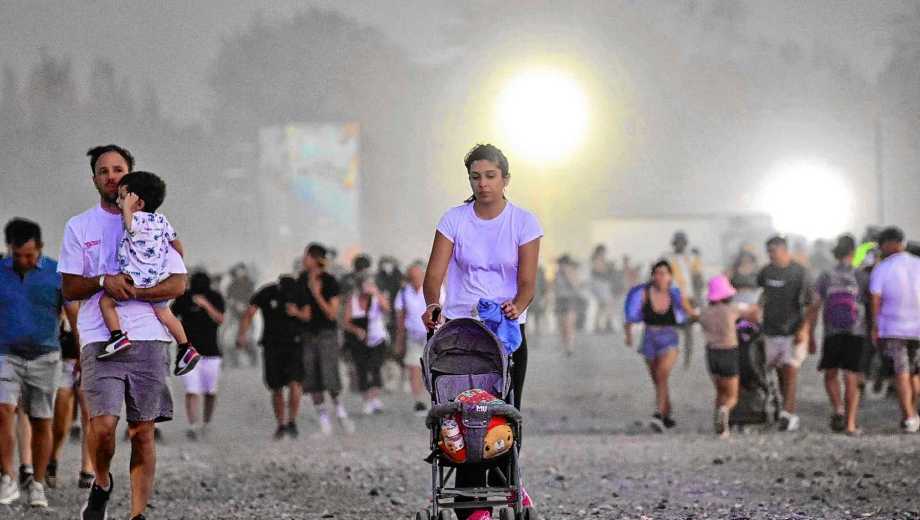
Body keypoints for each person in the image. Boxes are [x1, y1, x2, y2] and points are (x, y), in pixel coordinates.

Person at [60, 144, 188, 520]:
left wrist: (138, 292)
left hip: (148, 336)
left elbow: (178, 282)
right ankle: (101, 482)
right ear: (95, 180)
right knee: (102, 426)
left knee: (143, 431)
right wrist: (104, 281)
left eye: (118, 170)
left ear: (129, 175)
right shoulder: (80, 227)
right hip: (101, 337)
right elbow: (69, 286)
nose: (111, 176)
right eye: (103, 171)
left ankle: (137, 514)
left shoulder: (153, 222)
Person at [422, 143, 542, 520]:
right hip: (461, 335)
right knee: (461, 417)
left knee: (504, 413)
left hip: (506, 335)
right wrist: (432, 304)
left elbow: (527, 282)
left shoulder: (524, 222)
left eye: (491, 176)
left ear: (505, 179)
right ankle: (473, 504)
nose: (483, 184)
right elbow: (434, 275)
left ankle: (507, 482)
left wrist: (517, 306)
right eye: (476, 177)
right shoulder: (454, 219)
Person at [96, 171, 201, 376]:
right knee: (165, 313)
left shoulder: (137, 219)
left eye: (122, 197)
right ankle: (185, 346)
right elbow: (177, 244)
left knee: (106, 302)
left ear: (139, 203)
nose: (118, 202)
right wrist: (175, 258)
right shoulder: (161, 220)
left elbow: (130, 226)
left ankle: (117, 336)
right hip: (156, 277)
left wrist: (127, 209)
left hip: (135, 279)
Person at [0, 218, 71, 507]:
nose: (23, 261)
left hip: (45, 355)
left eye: (29, 255)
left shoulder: (56, 273)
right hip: (5, 354)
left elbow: (72, 311)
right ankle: (7, 477)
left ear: (40, 247)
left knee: (42, 420)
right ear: (9, 249)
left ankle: (38, 484)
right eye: (17, 255)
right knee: (4, 410)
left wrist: (82, 348)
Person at [624, 260, 694, 432]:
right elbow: (630, 317)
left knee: (662, 374)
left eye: (664, 273)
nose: (661, 277)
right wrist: (628, 336)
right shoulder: (644, 293)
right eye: (657, 273)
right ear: (652, 275)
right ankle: (667, 412)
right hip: (649, 339)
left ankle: (659, 415)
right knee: (657, 378)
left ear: (670, 277)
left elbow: (690, 314)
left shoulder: (675, 294)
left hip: (669, 338)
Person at [757, 235, 817, 433]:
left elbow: (812, 302)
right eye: (768, 252)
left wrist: (804, 328)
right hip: (770, 329)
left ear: (784, 250)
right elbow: (760, 295)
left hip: (792, 329)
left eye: (773, 251)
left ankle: (788, 413)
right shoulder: (766, 272)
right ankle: (784, 408)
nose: (771, 256)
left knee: (790, 369)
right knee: (778, 372)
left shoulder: (799, 272)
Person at [811, 234, 870, 435]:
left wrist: (809, 333)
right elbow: (872, 303)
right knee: (851, 376)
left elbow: (815, 304)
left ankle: (838, 408)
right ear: (853, 252)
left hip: (832, 331)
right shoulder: (861, 276)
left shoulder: (826, 275)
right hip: (856, 330)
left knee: (830, 374)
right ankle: (851, 424)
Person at [237, 274, 308, 439]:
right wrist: (242, 334)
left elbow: (307, 314)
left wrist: (296, 312)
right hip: (273, 345)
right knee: (277, 386)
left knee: (293, 383)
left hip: (293, 344)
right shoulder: (268, 292)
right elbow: (250, 312)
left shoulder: (298, 292)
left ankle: (290, 422)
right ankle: (283, 423)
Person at [869, 226, 920, 433]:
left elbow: (875, 298)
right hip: (918, 328)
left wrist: (875, 326)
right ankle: (913, 412)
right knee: (915, 373)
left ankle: (908, 416)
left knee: (901, 372)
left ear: (890, 243)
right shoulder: (918, 264)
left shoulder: (882, 268)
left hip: (893, 327)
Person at [299, 244, 352, 435]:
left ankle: (340, 412)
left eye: (306, 256)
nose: (303, 259)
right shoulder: (301, 280)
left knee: (330, 376)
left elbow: (331, 314)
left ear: (314, 259)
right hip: (307, 335)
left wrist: (316, 294)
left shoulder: (330, 282)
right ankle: (324, 422)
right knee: (312, 379)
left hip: (326, 334)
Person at [699, 275, 759, 438]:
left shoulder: (705, 312)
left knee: (719, 392)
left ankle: (720, 427)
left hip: (711, 354)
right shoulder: (732, 309)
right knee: (732, 396)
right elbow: (753, 314)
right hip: (729, 353)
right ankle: (725, 412)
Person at [171, 271, 226, 440]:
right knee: (192, 389)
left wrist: (205, 305)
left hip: (211, 352)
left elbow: (220, 319)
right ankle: (193, 425)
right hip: (188, 352)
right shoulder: (183, 298)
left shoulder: (215, 297)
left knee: (210, 391)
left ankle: (207, 424)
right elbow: (171, 318)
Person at [48, 307, 96, 490]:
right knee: (61, 420)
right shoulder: (62, 291)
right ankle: (52, 457)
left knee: (88, 413)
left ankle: (87, 468)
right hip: (63, 360)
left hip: (88, 358)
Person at [343, 276, 390, 414]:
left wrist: (376, 294)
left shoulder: (377, 297)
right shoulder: (353, 300)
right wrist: (356, 330)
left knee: (375, 366)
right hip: (359, 339)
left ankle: (375, 398)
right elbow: (346, 322)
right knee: (361, 368)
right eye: (365, 284)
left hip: (377, 337)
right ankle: (366, 400)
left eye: (370, 284)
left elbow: (387, 309)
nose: (367, 287)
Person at [394, 261, 436, 414]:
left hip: (432, 335)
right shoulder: (403, 293)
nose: (415, 279)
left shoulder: (434, 289)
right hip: (413, 335)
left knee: (433, 369)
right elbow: (400, 317)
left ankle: (436, 398)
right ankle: (418, 401)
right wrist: (399, 340)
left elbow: (440, 308)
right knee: (413, 367)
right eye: (412, 277)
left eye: (417, 276)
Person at [667, 231, 703, 368]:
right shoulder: (667, 259)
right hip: (673, 298)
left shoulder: (692, 258)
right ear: (674, 243)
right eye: (678, 242)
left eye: (682, 242)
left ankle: (687, 359)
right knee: (672, 329)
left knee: (688, 330)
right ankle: (672, 358)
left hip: (689, 298)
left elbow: (698, 278)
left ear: (686, 243)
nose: (680, 245)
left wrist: (698, 297)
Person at [225, 263, 257, 368]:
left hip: (247, 317)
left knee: (248, 339)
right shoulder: (232, 285)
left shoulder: (250, 284)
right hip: (234, 317)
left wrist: (245, 306)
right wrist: (235, 304)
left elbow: (253, 301)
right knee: (230, 340)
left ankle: (254, 362)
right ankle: (233, 363)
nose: (240, 272)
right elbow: (228, 299)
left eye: (242, 270)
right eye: (239, 270)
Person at [554, 255, 580, 355]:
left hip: (570, 300)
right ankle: (564, 346)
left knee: (569, 325)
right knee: (562, 326)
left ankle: (570, 346)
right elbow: (555, 287)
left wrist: (567, 274)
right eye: (560, 264)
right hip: (560, 300)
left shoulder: (571, 272)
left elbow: (576, 285)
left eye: (563, 264)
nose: (561, 266)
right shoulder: (557, 273)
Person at [589, 245, 616, 334]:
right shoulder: (597, 259)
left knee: (603, 305)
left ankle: (601, 324)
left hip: (602, 284)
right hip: (600, 283)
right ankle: (605, 324)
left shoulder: (599, 259)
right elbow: (599, 270)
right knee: (606, 304)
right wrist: (608, 267)